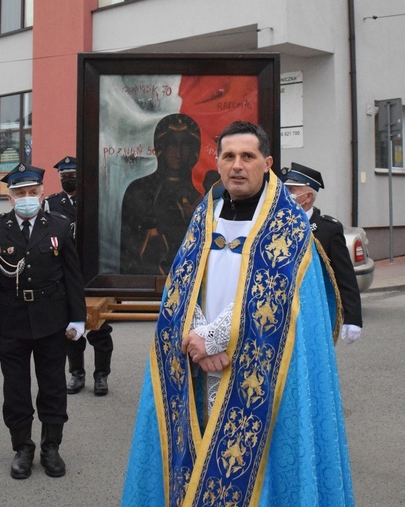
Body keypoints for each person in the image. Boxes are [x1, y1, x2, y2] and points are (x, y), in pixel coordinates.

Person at [121, 121, 354, 506]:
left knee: (260, 466)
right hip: (199, 359)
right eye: (228, 156)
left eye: (248, 156)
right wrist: (197, 339)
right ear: (218, 160)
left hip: (261, 364)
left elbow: (274, 296)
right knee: (197, 447)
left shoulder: (289, 225)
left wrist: (215, 337)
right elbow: (182, 286)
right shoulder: (205, 216)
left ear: (268, 163)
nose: (237, 165)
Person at [0, 163, 86, 480]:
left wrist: (78, 318)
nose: (26, 198)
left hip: (53, 322)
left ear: (40, 193)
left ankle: (51, 447)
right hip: (11, 323)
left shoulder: (60, 227)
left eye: (32, 192)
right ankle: (22, 447)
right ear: (10, 198)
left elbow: (73, 278)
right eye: (19, 193)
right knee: (16, 391)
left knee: (53, 388)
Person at [44, 156, 114, 396]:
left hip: (94, 272)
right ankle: (76, 374)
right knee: (71, 327)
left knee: (100, 327)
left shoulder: (96, 200)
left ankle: (101, 376)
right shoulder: (51, 204)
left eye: (72, 175)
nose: (68, 180)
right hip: (64, 273)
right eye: (63, 177)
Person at [282, 162, 363, 343]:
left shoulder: (327, 230)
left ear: (308, 196)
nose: (285, 196)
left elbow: (345, 276)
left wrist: (352, 318)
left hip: (314, 311)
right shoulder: (277, 224)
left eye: (291, 191)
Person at [120, 113, 202, 275]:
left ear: (193, 149)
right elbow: (131, 251)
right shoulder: (140, 190)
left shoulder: (202, 193)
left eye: (185, 144)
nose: (178, 152)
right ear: (161, 147)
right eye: (172, 144)